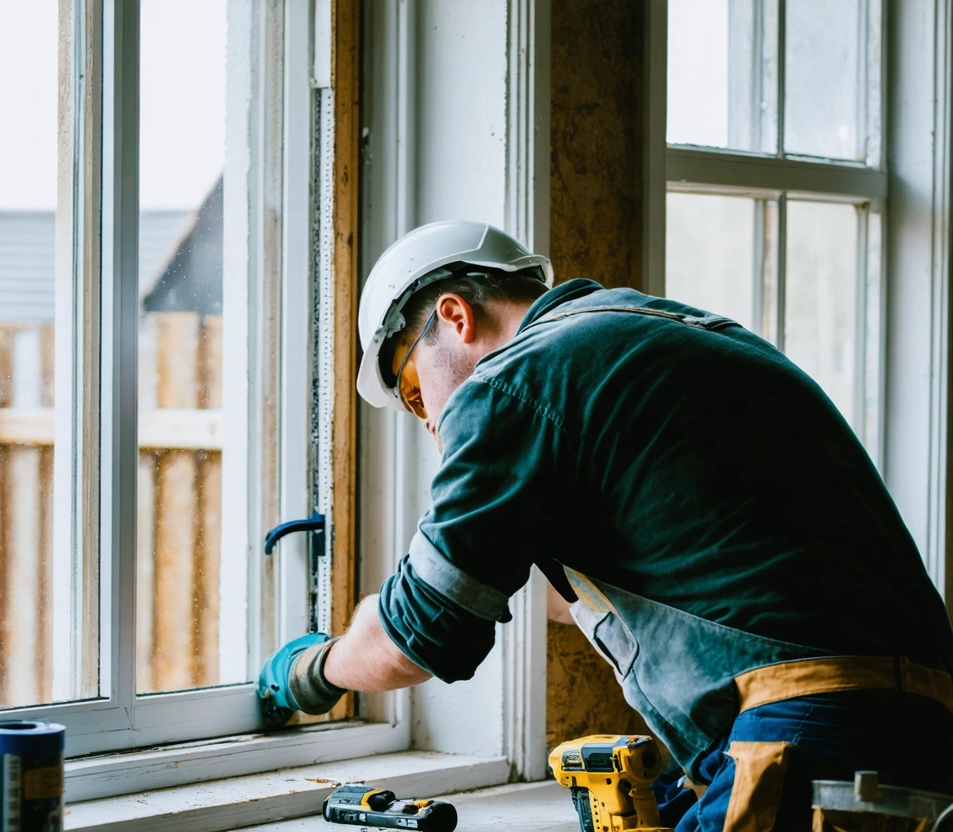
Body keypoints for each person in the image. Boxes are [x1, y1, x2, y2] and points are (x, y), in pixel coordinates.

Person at [256, 220, 953, 830]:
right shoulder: (657, 331)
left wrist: (315, 672)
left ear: (455, 316)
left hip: (806, 728)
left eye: (413, 391)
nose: (431, 418)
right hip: (921, 724)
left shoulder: (512, 382)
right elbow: (633, 576)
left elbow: (423, 633)